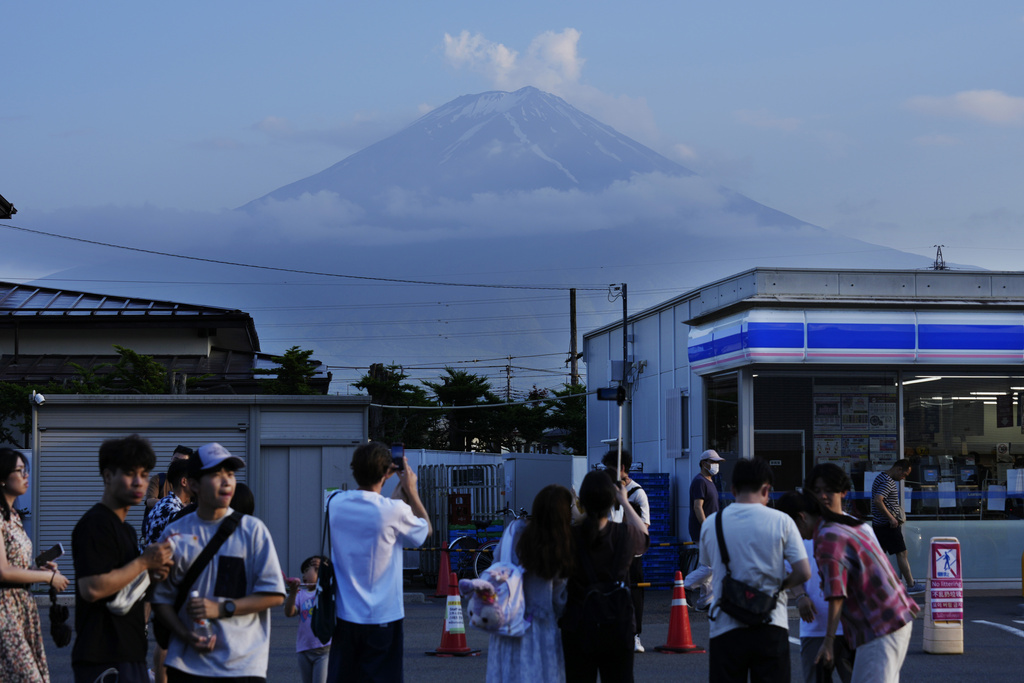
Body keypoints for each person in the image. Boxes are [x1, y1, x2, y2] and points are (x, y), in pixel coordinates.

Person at [152, 443, 285, 682]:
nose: (226, 481)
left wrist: (223, 608)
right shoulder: (175, 534)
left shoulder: (253, 531)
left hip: (242, 666)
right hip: (187, 665)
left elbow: (274, 595)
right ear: (192, 484)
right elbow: (161, 601)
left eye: (230, 474)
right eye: (215, 474)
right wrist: (184, 635)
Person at [777, 489, 919, 683]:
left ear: (801, 518)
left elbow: (836, 594)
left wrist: (828, 640)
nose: (794, 535)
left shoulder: (827, 537)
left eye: (792, 528)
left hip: (877, 625)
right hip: (882, 621)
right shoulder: (844, 527)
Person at [325, 441, 431, 683]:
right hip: (384, 617)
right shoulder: (392, 511)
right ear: (387, 473)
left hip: (344, 616)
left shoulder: (336, 503)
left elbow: (385, 508)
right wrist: (411, 490)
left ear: (354, 470)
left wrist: (394, 486)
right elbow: (425, 532)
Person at [72, 434, 175, 683]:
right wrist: (144, 562)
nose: (139, 482)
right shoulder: (95, 524)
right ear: (108, 476)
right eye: (130, 473)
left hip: (130, 652)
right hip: (103, 657)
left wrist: (154, 572)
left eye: (144, 474)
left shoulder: (127, 530)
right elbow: (92, 588)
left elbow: (127, 585)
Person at [700, 457, 810, 683]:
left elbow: (709, 563)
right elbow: (803, 572)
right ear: (767, 489)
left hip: (725, 627)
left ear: (732, 489)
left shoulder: (712, 523)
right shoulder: (782, 521)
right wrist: (781, 586)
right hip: (771, 624)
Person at [561, 469, 648, 683]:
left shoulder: (569, 538)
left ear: (583, 501)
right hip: (618, 625)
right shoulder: (624, 534)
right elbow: (645, 537)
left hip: (578, 625)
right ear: (611, 501)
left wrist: (575, 510)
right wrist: (625, 502)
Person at [487, 484, 574, 683]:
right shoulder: (557, 546)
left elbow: (495, 565)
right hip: (539, 629)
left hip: (506, 624)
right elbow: (559, 600)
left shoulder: (512, 533)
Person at [0, 448, 70, 682]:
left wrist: (38, 570)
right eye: (19, 471)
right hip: (4, 610)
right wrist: (48, 578)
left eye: (26, 470)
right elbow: (3, 571)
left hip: (21, 607)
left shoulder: (14, 516)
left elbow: (16, 568)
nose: (26, 476)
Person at [790, 464, 858, 683]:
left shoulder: (856, 529)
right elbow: (789, 568)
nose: (823, 496)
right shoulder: (802, 528)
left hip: (851, 628)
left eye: (828, 489)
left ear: (843, 492)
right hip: (813, 628)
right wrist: (800, 595)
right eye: (817, 490)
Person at [145, 457, 193, 683]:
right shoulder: (173, 510)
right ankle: (159, 676)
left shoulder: (165, 503)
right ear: (185, 481)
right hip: (163, 578)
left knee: (168, 636)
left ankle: (159, 674)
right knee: (169, 637)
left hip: (156, 577)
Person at [602, 449, 650, 653]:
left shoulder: (637, 493)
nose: (606, 471)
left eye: (610, 468)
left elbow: (645, 527)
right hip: (609, 552)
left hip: (631, 553)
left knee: (634, 595)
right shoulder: (604, 489)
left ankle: (635, 636)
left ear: (622, 468)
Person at [871, 460, 925, 595]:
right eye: (904, 474)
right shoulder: (887, 481)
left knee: (879, 555)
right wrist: (891, 518)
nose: (904, 478)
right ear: (898, 469)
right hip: (888, 525)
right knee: (901, 553)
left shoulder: (881, 477)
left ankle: (875, 583)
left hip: (880, 524)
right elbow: (878, 500)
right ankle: (911, 584)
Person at [685, 449, 725, 611]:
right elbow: (698, 507)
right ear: (703, 463)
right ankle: (685, 585)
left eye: (717, 462)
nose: (715, 465)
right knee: (711, 566)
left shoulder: (709, 481)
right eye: (713, 461)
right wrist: (707, 526)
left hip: (709, 528)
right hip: (703, 529)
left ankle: (705, 602)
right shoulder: (700, 481)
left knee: (709, 565)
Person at [285, 555, 331, 683]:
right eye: (303, 573)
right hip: (304, 649)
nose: (304, 576)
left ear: (318, 570)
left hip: (324, 650)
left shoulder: (326, 591)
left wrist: (326, 568)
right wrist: (293, 593)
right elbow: (289, 612)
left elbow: (337, 580)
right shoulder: (301, 594)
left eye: (307, 571)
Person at [145, 445, 193, 512]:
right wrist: (180, 504)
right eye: (176, 459)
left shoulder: (192, 484)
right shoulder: (158, 479)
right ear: (171, 458)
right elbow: (150, 501)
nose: (177, 464)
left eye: (182, 461)